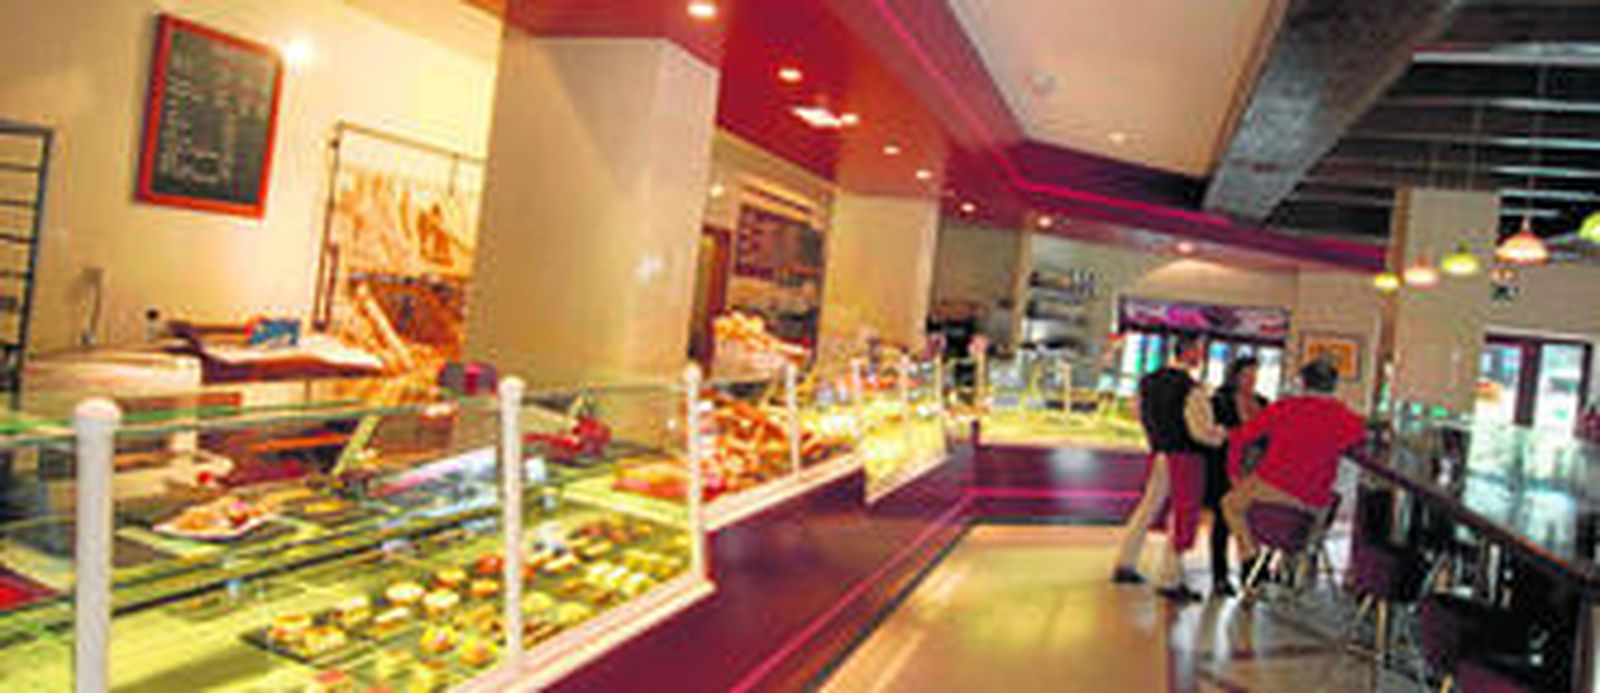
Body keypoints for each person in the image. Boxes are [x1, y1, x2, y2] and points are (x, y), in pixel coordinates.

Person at [1222, 359, 1366, 584]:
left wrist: (1234, 475)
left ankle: (1251, 558)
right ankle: (1292, 569)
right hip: (1313, 501)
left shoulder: (1284, 407)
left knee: (1230, 504)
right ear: (1334, 385)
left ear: (1304, 382)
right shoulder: (1347, 418)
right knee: (1312, 523)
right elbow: (1361, 443)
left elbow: (1239, 439)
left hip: (1271, 486)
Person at [1111, 334, 1226, 602]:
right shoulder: (1191, 388)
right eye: (1198, 350)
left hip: (1160, 453)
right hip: (1186, 457)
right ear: (1188, 352)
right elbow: (1200, 431)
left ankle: (1125, 563)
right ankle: (1170, 579)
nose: (1201, 356)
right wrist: (1222, 435)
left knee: (1147, 508)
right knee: (1183, 515)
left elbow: (1138, 413)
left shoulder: (1148, 382)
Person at [1205, 356, 1267, 597]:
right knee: (1222, 523)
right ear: (1234, 376)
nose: (1251, 380)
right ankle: (1220, 576)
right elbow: (1214, 434)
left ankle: (1250, 572)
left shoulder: (1263, 402)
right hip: (1225, 468)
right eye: (1246, 375)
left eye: (1254, 375)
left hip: (1255, 470)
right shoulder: (1220, 401)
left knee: (1251, 523)